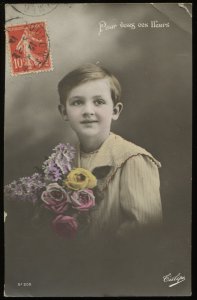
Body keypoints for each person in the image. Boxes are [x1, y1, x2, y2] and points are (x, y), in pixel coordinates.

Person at [58, 63, 163, 244]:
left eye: (98, 102)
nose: (88, 111)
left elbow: (144, 233)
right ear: (64, 112)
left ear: (115, 111)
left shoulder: (133, 160)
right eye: (77, 102)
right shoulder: (61, 161)